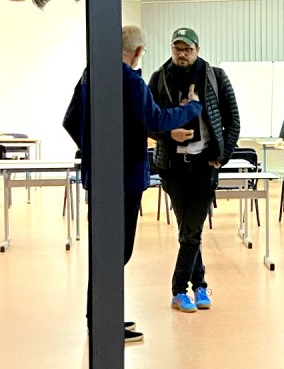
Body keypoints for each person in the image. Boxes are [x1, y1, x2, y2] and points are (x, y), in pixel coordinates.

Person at [64, 25, 203, 343]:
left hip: (98, 179)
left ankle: (100, 317)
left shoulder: (90, 76)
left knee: (104, 251)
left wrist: (94, 151)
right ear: (138, 51)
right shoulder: (131, 81)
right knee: (117, 252)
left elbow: (71, 120)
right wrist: (191, 108)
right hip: (125, 181)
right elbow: (158, 120)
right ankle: (105, 322)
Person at [148, 27, 240, 313]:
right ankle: (200, 284)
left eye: (187, 49)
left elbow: (233, 119)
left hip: (204, 164)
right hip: (173, 166)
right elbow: (146, 121)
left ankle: (178, 290)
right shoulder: (159, 77)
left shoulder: (215, 76)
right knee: (188, 230)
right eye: (177, 48)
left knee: (191, 231)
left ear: (197, 49)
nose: (182, 54)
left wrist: (221, 156)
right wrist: (167, 135)